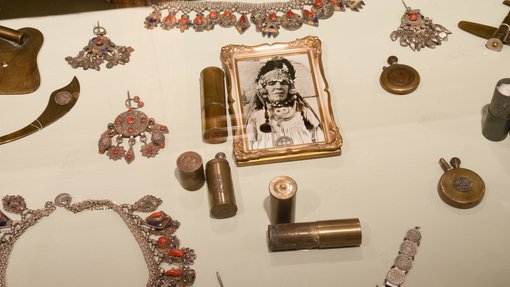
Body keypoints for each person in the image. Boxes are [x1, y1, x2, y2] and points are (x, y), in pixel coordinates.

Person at [245, 56, 324, 149]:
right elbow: (248, 149)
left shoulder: (304, 112)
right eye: (271, 83)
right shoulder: (256, 118)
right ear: (263, 89)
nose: (279, 87)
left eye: (284, 83)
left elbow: (321, 143)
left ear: (290, 88)